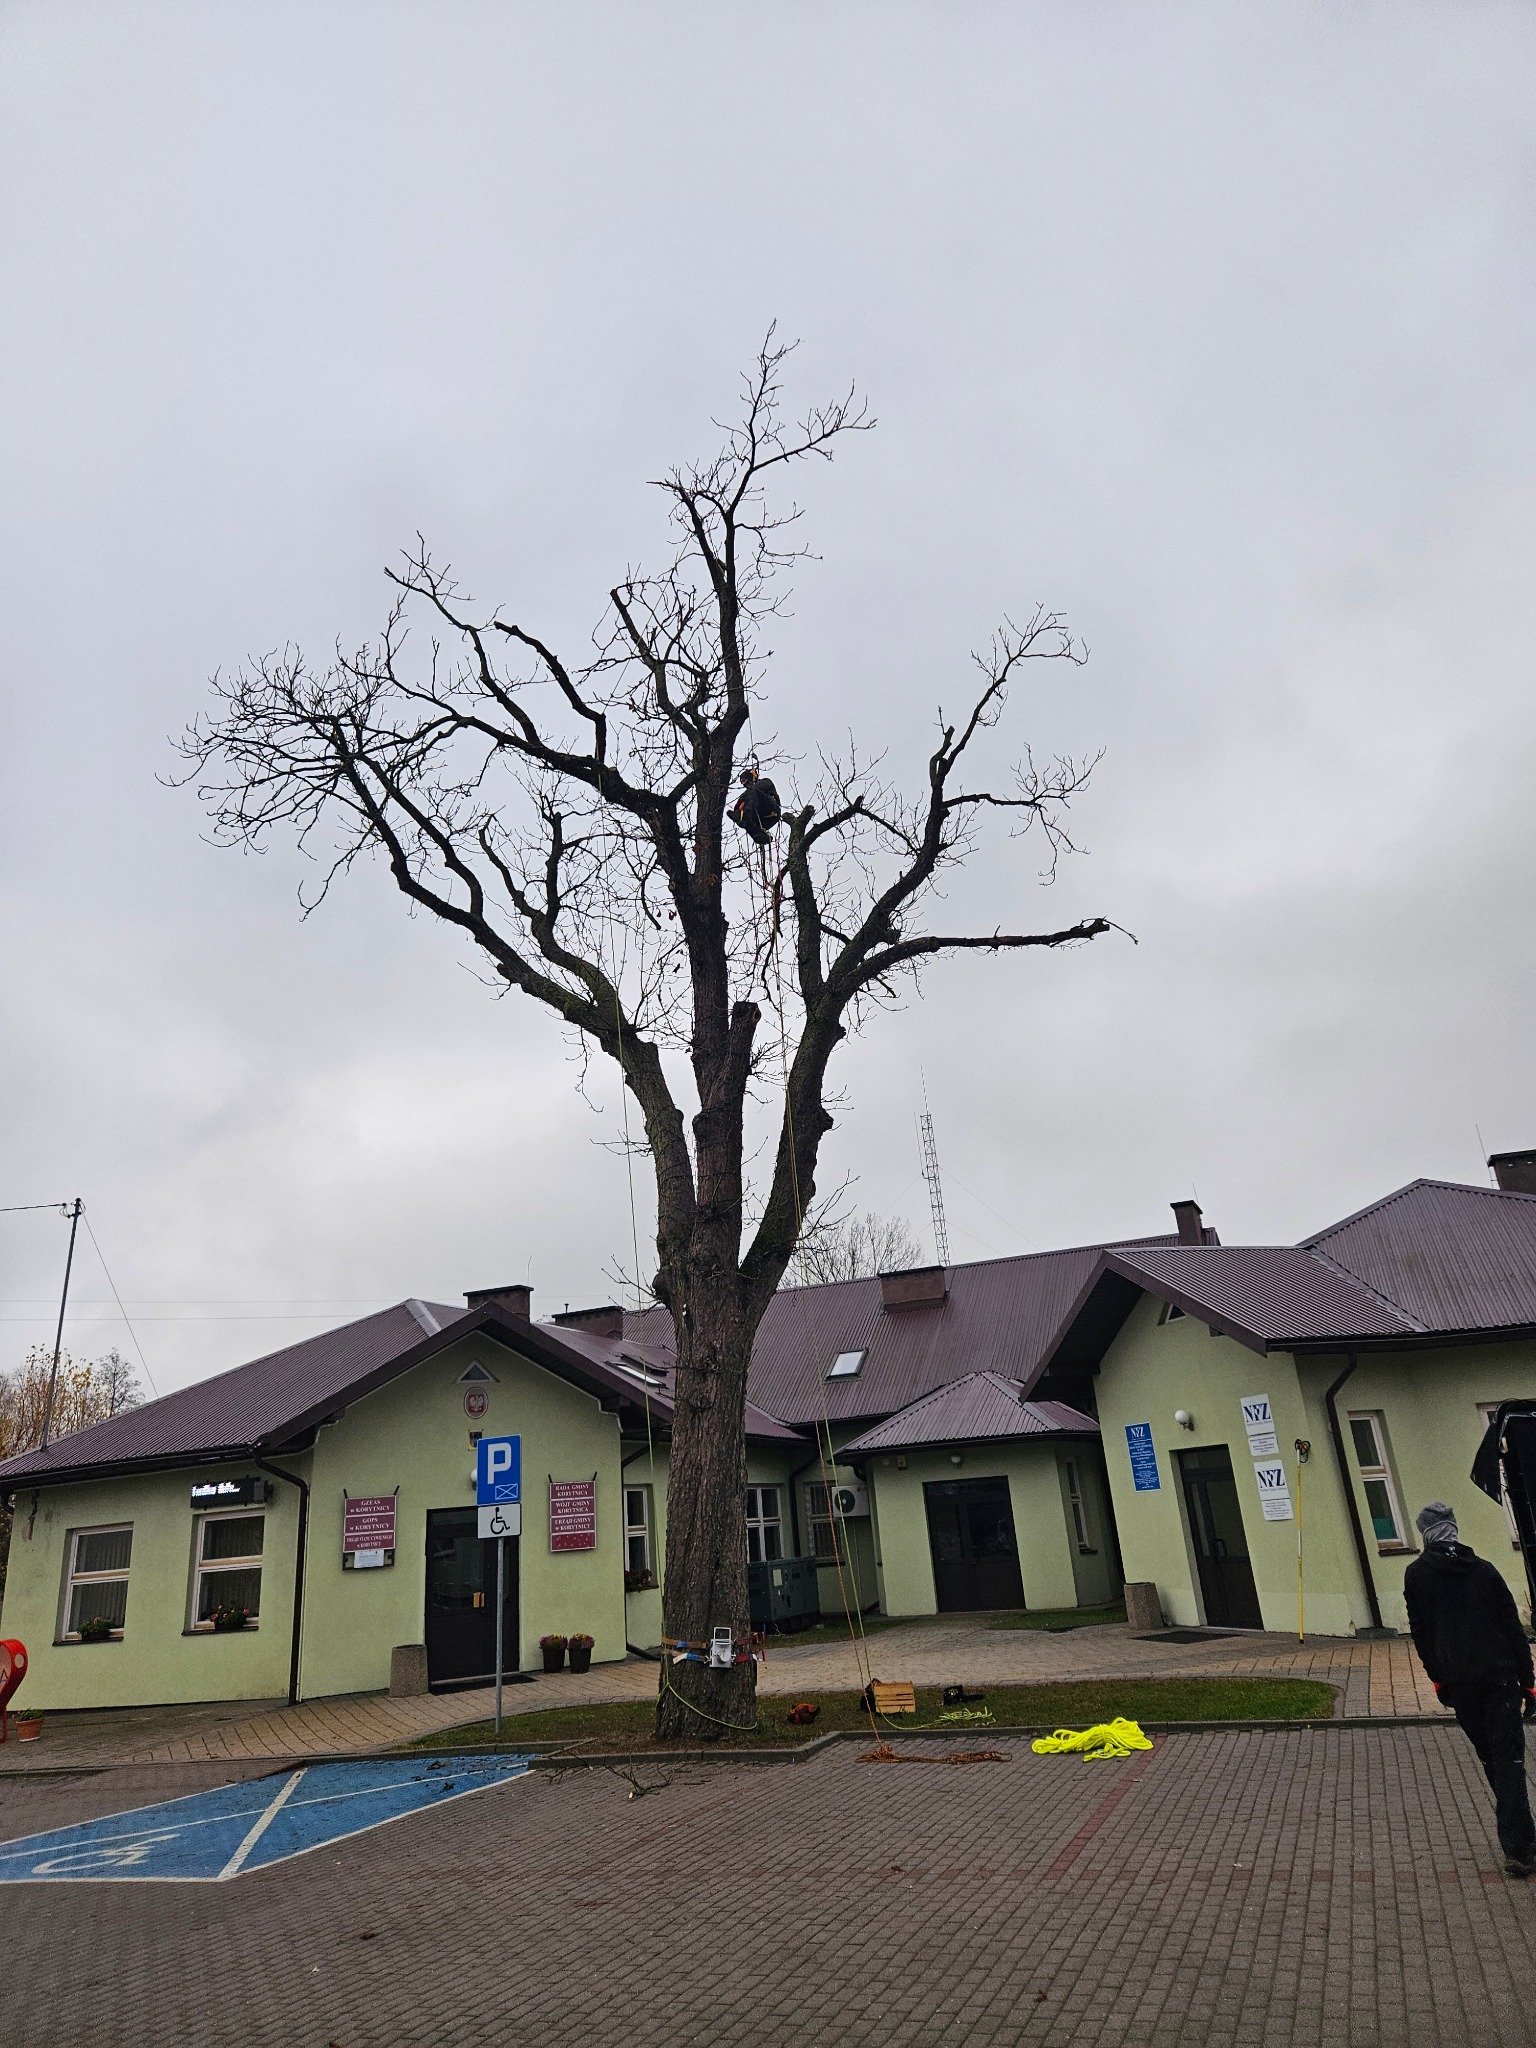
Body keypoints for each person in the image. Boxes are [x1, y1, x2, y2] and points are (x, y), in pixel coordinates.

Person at [1404, 1500, 1536, 1877]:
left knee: (1493, 1760)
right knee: (1508, 1760)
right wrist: (1528, 1682)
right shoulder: (1484, 1572)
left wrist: (1438, 1678)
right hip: (1500, 1679)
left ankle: (1523, 1841)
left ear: (1424, 1532)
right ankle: (1521, 1848)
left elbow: (1422, 1635)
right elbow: (1513, 1630)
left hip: (1461, 1685)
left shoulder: (1416, 1576)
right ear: (1454, 1529)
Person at [729, 767, 781, 847]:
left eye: (744, 781)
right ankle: (758, 834)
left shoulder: (765, 782)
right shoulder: (749, 794)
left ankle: (745, 815)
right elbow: (741, 801)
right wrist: (738, 810)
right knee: (741, 820)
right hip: (763, 820)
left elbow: (755, 789)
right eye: (742, 782)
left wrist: (743, 802)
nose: (743, 784)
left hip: (772, 810)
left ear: (750, 777)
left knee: (753, 793)